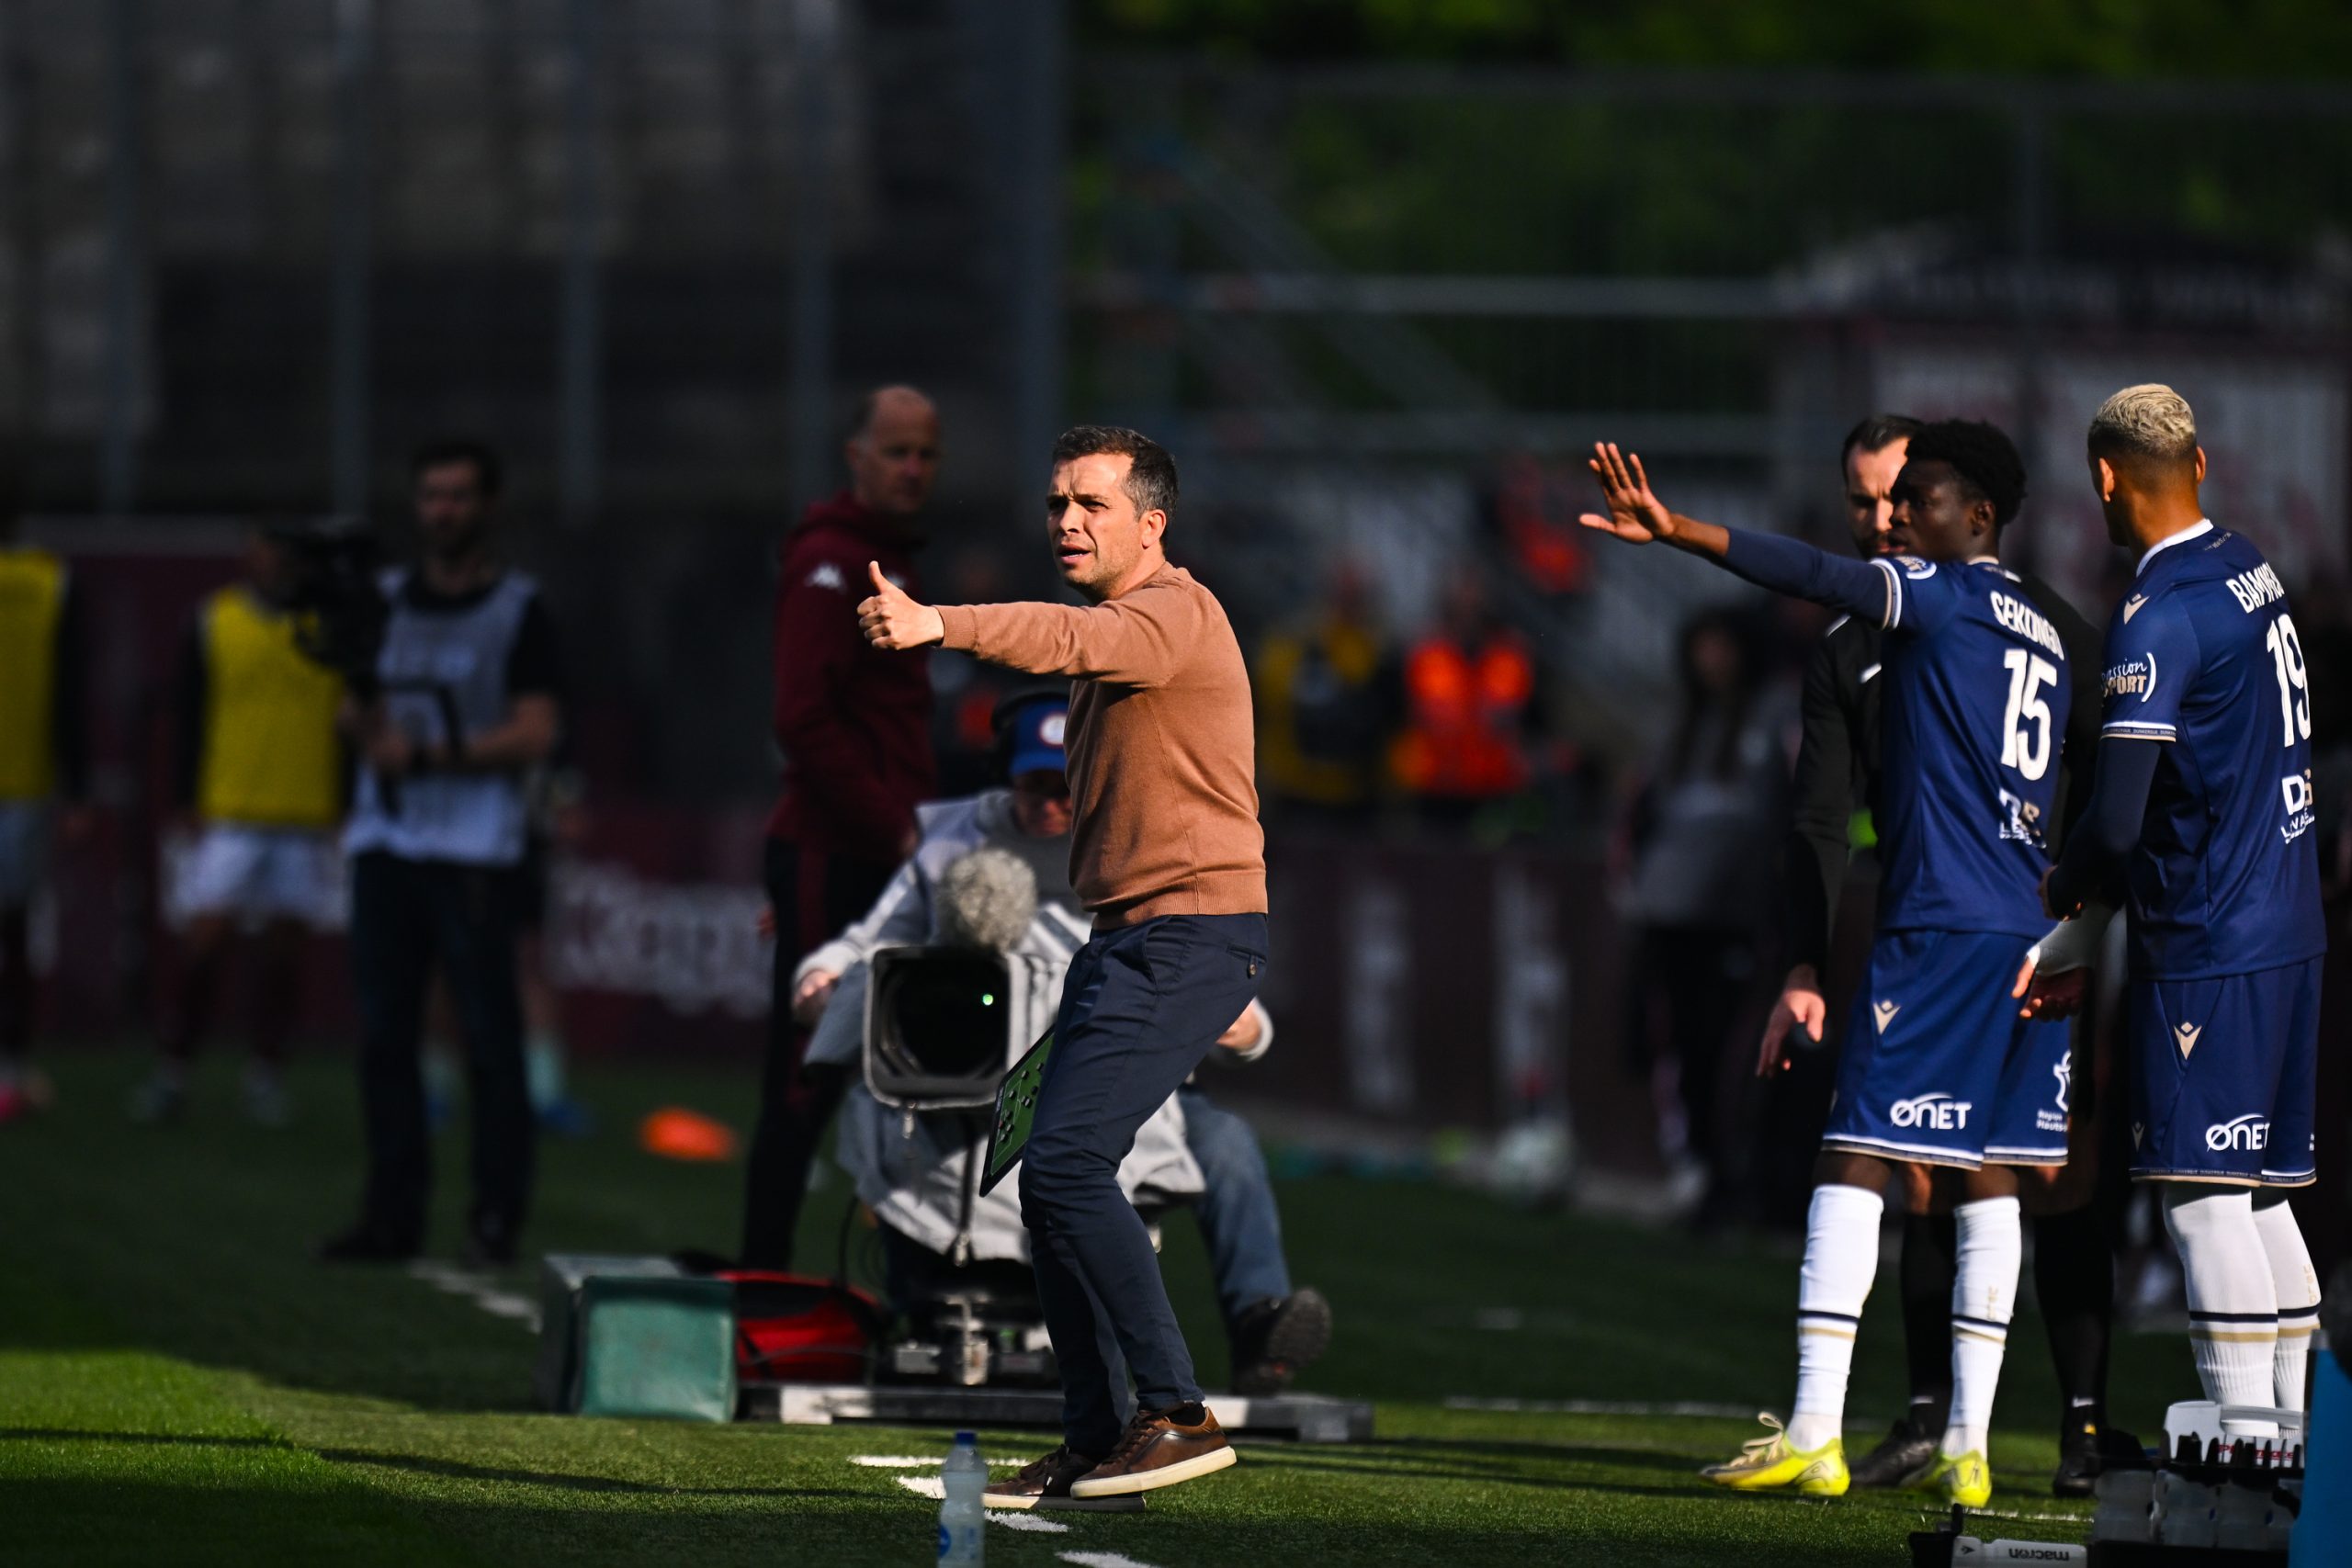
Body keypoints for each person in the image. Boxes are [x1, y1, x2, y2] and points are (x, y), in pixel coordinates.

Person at [1583, 421, 2076, 1507]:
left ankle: (1813, 1429)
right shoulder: (2045, 624)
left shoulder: (1938, 594)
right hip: (2029, 929)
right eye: (1883, 501)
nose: (1897, 520)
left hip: (1940, 927)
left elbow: (1805, 571)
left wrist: (1678, 532)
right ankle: (1971, 1443)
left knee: (1852, 1158)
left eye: (1920, 499)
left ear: (1976, 515)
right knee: (1983, 1171)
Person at [857, 424, 1268, 1503]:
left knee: (1069, 1167)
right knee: (1041, 1170)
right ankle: (1092, 1435)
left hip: (1186, 934)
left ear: (1152, 523)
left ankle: (1175, 1413)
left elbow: (1056, 643)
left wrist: (936, 622)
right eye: (1056, 505)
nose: (1068, 522)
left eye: (1091, 503)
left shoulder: (1170, 613)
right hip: (1130, 938)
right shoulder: (1123, 624)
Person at [1761, 415, 2121, 1496]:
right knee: (1962, 1177)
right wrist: (1804, 965)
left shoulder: (2030, 621)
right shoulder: (1850, 647)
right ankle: (1944, 1426)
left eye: (1898, 498)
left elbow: (2105, 787)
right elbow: (1818, 819)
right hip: (1987, 921)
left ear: (1954, 504)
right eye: (1865, 504)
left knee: (2031, 1181)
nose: (1883, 521)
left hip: (2007, 930)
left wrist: (2082, 915)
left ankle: (2077, 1425)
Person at [799, 692, 1331, 1395]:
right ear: (1004, 778)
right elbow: (875, 939)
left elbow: (1205, 971)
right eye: (1032, 786)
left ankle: (1259, 1325)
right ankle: (917, 1296)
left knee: (1224, 1144)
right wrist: (821, 975)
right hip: (966, 1072)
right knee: (890, 1117)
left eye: (1064, 788)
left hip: (1119, 1067)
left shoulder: (1142, 843)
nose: (1050, 805)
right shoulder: (958, 838)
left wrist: (1244, 1024)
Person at [2022, 384, 2326, 1443]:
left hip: (2208, 938)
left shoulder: (2157, 615)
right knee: (2264, 1198)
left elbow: (2113, 825)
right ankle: (2305, 1453)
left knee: (2200, 1200)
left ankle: (2248, 1454)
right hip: (2289, 926)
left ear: (2103, 480)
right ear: (2197, 466)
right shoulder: (2250, 568)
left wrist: (2064, 901)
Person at [319, 440, 562, 1267]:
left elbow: (537, 728)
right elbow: (351, 718)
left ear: (487, 505)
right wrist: (358, 710)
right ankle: (392, 1214)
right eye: (430, 495)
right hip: (387, 840)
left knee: (489, 1040)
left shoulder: (518, 609)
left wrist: (425, 758)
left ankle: (496, 1215)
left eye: (458, 495)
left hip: (474, 851)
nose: (441, 511)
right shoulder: (381, 601)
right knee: (385, 1037)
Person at [742, 384, 944, 1271]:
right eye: (895, 450)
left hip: (868, 851)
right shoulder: (833, 563)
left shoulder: (889, 560)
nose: (912, 468)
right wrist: (894, 829)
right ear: (854, 455)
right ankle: (764, 1276)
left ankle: (900, 1276)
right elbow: (803, 720)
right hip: (840, 849)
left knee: (901, 1069)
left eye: (926, 453)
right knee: (805, 1070)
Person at [131, 525, 346, 1127]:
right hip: (230, 809)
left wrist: (346, 798)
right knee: (204, 942)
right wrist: (183, 796)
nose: (268, 560)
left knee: (282, 955)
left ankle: (265, 1075)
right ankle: (174, 1070)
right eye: (260, 548)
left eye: (279, 549)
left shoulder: (329, 627)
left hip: (304, 811)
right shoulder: (215, 619)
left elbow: (349, 716)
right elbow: (190, 712)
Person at [1619, 607, 1785, 1224]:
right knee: (1681, 1045)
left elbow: (1790, 809)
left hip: (1738, 914)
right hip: (1671, 911)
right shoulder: (1677, 728)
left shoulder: (1773, 720)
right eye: (1702, 647)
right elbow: (1642, 813)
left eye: (1722, 646)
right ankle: (1695, 1164)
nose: (1711, 660)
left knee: (1732, 1047)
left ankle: (1732, 1169)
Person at [0, 468, 91, 1123]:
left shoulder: (50, 582)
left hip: (22, 786)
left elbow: (70, 693)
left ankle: (11, 1064)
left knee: (11, 928)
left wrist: (77, 786)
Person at [1254, 559, 1400, 828]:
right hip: (1298, 789)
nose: (1349, 603)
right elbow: (1273, 703)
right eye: (1343, 593)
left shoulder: (1379, 650)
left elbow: (1387, 716)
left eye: (1356, 595)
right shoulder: (1294, 644)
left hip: (1357, 794)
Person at [1391, 570, 1537, 831]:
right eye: (1461, 601)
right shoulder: (1425, 654)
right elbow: (1402, 716)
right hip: (1434, 787)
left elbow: (1531, 720)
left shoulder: (1511, 658)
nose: (1469, 610)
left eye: (1476, 602)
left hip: (1494, 788)